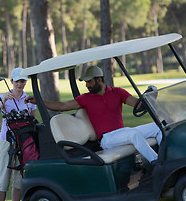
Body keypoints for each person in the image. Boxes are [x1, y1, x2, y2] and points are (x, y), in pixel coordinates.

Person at [26, 65, 162, 164]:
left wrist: (149, 98)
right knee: (133, 134)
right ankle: (157, 162)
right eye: (86, 82)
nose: (87, 85)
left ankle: (166, 157)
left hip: (122, 133)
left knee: (159, 126)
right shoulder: (85, 98)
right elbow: (62, 106)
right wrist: (39, 101)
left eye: (89, 82)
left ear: (99, 80)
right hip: (107, 139)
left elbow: (137, 105)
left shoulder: (117, 92)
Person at [0, 67, 36, 201]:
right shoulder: (3, 96)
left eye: (22, 81)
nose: (20, 84)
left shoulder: (28, 99)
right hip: (7, 141)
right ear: (11, 82)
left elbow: (33, 121)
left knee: (18, 178)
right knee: (3, 178)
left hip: (23, 141)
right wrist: (3, 101)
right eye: (17, 81)